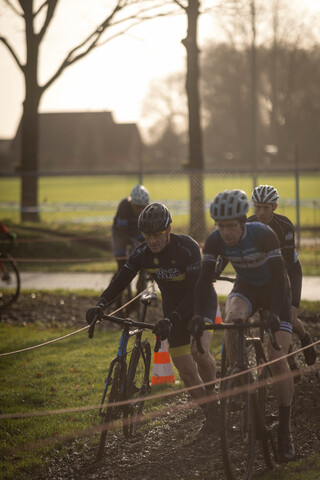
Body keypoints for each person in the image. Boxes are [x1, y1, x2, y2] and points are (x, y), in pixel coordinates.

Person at [87, 202, 218, 432]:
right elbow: (121, 279)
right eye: (147, 235)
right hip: (173, 311)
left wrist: (173, 318)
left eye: (158, 234)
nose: (153, 240)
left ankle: (213, 394)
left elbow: (194, 291)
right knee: (186, 372)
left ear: (168, 229)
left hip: (199, 303)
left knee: (199, 352)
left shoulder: (187, 247)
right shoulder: (142, 253)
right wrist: (101, 304)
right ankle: (211, 413)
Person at [190, 189, 295, 463]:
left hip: (275, 292)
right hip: (247, 287)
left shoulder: (263, 235)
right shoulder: (214, 241)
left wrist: (272, 312)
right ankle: (240, 373)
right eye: (220, 226)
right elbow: (203, 282)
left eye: (231, 227)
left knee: (277, 360)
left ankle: (285, 430)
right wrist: (197, 317)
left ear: (242, 223)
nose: (225, 233)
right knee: (232, 313)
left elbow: (281, 280)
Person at [249, 185, 316, 368]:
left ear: (274, 207)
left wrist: (294, 303)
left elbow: (293, 267)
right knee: (271, 321)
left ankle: (304, 337)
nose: (261, 212)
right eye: (257, 207)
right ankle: (288, 360)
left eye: (266, 208)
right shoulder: (248, 226)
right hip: (261, 282)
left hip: (283, 278)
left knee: (291, 319)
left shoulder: (284, 226)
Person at [112, 185, 150, 273]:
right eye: (138, 207)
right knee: (121, 262)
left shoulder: (147, 209)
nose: (141, 210)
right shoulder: (124, 206)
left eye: (143, 207)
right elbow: (122, 231)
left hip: (136, 230)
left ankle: (142, 277)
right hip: (120, 231)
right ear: (132, 203)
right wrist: (132, 242)